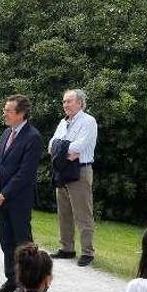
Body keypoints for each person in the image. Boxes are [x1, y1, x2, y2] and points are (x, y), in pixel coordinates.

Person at [0, 94, 43, 292]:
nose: (5, 114)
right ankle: (11, 280)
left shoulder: (33, 137)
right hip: (1, 198)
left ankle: (26, 285)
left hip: (18, 200)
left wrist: (5, 193)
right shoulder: (6, 134)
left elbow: (25, 173)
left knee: (23, 243)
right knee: (6, 240)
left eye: (8, 111)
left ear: (21, 114)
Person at [48, 88, 98, 267]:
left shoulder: (88, 121)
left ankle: (87, 252)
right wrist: (63, 150)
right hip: (62, 168)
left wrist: (61, 148)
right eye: (64, 102)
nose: (65, 105)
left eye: (69, 101)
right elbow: (51, 144)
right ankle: (67, 248)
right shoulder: (63, 122)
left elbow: (80, 146)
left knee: (83, 212)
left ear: (80, 103)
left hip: (80, 170)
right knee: (64, 211)